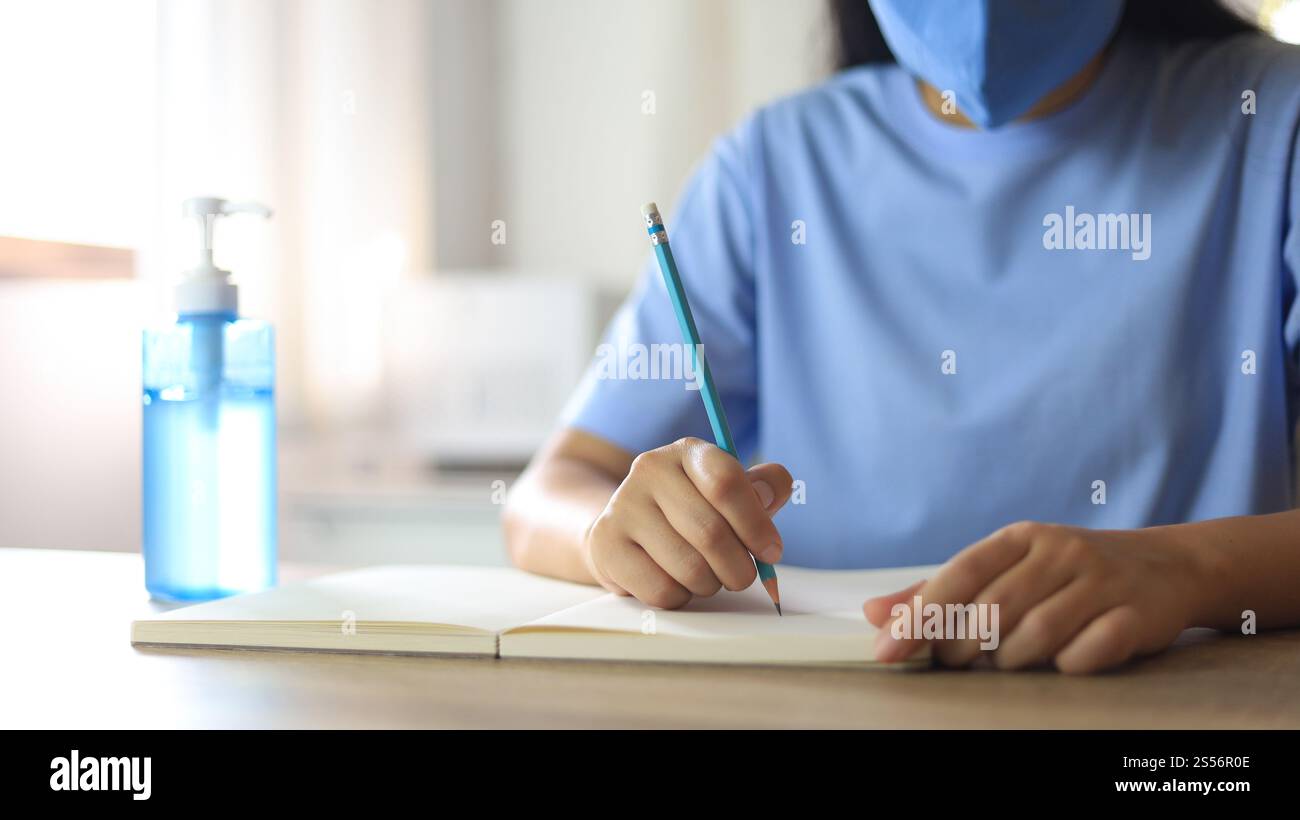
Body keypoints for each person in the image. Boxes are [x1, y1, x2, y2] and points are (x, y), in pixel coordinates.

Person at [502, 0, 1300, 674]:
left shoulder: (1274, 123)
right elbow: (547, 493)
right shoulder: (770, 167)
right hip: (821, 702)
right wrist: (617, 533)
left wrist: (1187, 571)